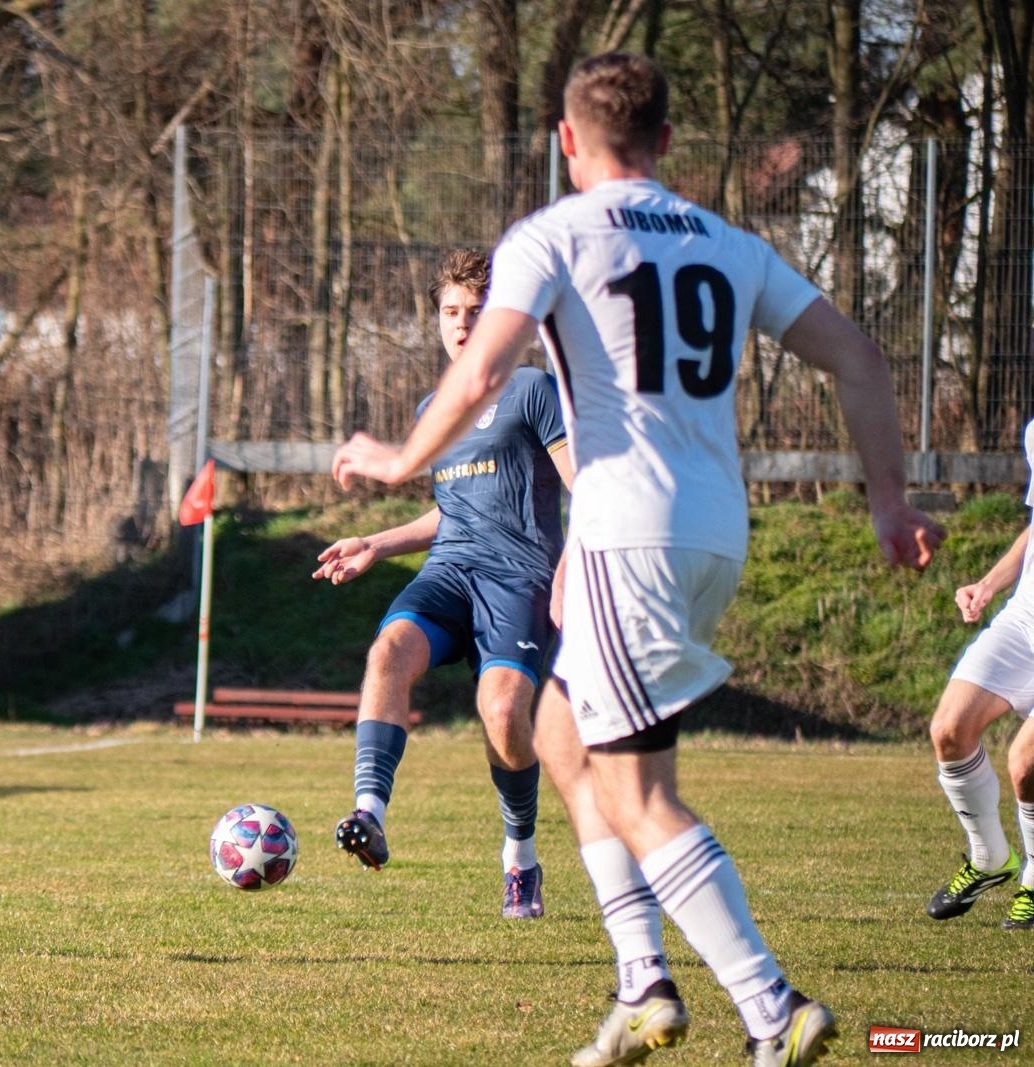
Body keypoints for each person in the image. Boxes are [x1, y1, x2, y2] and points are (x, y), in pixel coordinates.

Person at [332, 53, 942, 1067]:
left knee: (638, 787)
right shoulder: (726, 240)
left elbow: (483, 366)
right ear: (665, 143)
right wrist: (886, 498)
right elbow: (860, 357)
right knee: (563, 737)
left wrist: (398, 458)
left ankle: (769, 1004)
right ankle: (643, 982)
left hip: (628, 532)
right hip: (713, 531)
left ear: (568, 142)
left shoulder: (553, 234)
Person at [314, 248, 572, 919]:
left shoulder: (533, 391)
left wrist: (579, 560)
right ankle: (369, 812)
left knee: (502, 710)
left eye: (476, 312)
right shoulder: (437, 405)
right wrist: (377, 541)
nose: (462, 324)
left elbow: (587, 485)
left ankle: (519, 854)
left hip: (519, 577)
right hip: (450, 569)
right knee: (387, 652)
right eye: (451, 312)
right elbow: (452, 509)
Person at [924, 417, 1034, 930]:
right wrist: (989, 584)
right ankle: (990, 857)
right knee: (949, 730)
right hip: (1024, 621)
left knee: (1025, 762)